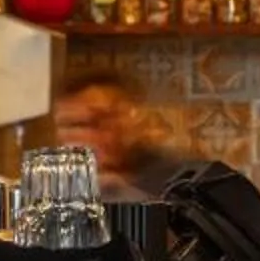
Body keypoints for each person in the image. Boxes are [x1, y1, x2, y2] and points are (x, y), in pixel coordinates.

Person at [51, 66, 193, 202]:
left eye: (97, 120)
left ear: (131, 119)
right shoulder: (52, 188)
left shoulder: (182, 182)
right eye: (71, 125)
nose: (84, 135)